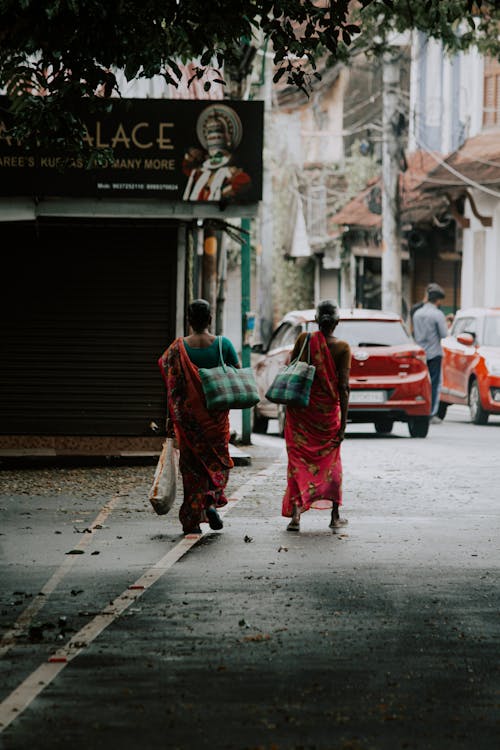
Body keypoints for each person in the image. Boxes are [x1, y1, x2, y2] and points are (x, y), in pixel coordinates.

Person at [158, 299, 240, 535]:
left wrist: (169, 418)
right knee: (218, 463)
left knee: (192, 468)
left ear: (189, 320)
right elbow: (236, 373)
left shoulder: (177, 349)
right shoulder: (224, 345)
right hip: (216, 421)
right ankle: (211, 500)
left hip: (189, 423)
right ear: (210, 319)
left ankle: (193, 518)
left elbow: (172, 389)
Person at [282, 300, 351, 532]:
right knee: (331, 465)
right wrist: (342, 425)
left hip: (300, 415)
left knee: (298, 463)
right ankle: (334, 515)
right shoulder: (342, 348)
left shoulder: (304, 340)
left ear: (315, 319)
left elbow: (292, 373)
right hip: (327, 416)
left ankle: (295, 516)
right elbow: (343, 387)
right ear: (337, 322)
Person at [412, 283, 448, 421]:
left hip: (420, 354)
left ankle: (421, 410)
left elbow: (415, 333)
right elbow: (444, 334)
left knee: (421, 383)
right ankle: (431, 412)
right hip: (434, 354)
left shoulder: (417, 313)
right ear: (438, 300)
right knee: (433, 384)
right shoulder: (438, 314)